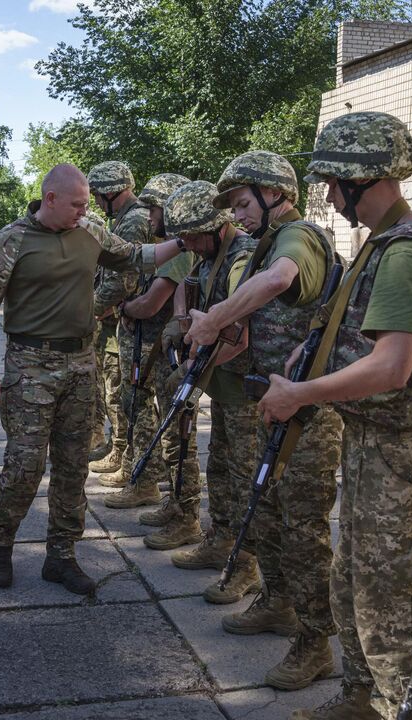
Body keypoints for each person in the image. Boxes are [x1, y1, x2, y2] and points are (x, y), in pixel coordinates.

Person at [259, 111, 412, 720]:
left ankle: (404, 708)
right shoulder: (388, 244)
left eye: (334, 181)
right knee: (354, 580)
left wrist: (299, 395)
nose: (327, 193)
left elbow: (391, 368)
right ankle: (362, 697)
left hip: (397, 449)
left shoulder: (407, 253)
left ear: (364, 180)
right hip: (372, 440)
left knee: (389, 597)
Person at [0, 163, 186, 595]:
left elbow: (137, 256)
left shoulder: (91, 232)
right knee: (24, 465)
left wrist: (185, 241)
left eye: (88, 204)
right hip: (30, 366)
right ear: (50, 199)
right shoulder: (11, 241)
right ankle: (1, 545)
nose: (85, 211)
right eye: (78, 204)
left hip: (82, 364)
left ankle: (62, 555)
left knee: (72, 467)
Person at [184, 151, 344, 689]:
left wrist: (214, 322)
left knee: (304, 530)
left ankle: (316, 640)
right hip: (269, 404)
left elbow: (280, 281)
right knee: (266, 515)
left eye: (242, 202)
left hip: (304, 413)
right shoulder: (261, 245)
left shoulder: (298, 237)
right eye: (232, 206)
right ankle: (279, 602)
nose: (237, 214)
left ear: (275, 193)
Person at [157, 179, 267, 607]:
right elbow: (190, 283)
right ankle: (221, 541)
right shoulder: (207, 255)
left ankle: (246, 565)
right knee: (220, 468)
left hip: (245, 386)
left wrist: (189, 371)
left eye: (190, 235)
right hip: (225, 384)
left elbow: (237, 334)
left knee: (244, 480)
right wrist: (181, 318)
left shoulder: (240, 257)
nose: (185, 244)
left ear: (215, 226)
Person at [112, 172, 203, 548]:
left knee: (179, 437)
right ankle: (176, 505)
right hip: (164, 352)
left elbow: (151, 304)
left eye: (154, 208)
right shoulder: (172, 248)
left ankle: (186, 515)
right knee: (170, 430)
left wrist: (123, 306)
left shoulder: (181, 253)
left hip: (172, 356)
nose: (148, 216)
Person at [86, 160, 143, 482]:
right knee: (117, 391)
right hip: (119, 317)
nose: (95, 201)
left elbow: (124, 277)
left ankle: (127, 455)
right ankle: (120, 449)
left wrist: (90, 309)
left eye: (97, 195)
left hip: (128, 320)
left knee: (121, 392)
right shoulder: (126, 219)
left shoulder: (132, 221)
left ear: (110, 192)